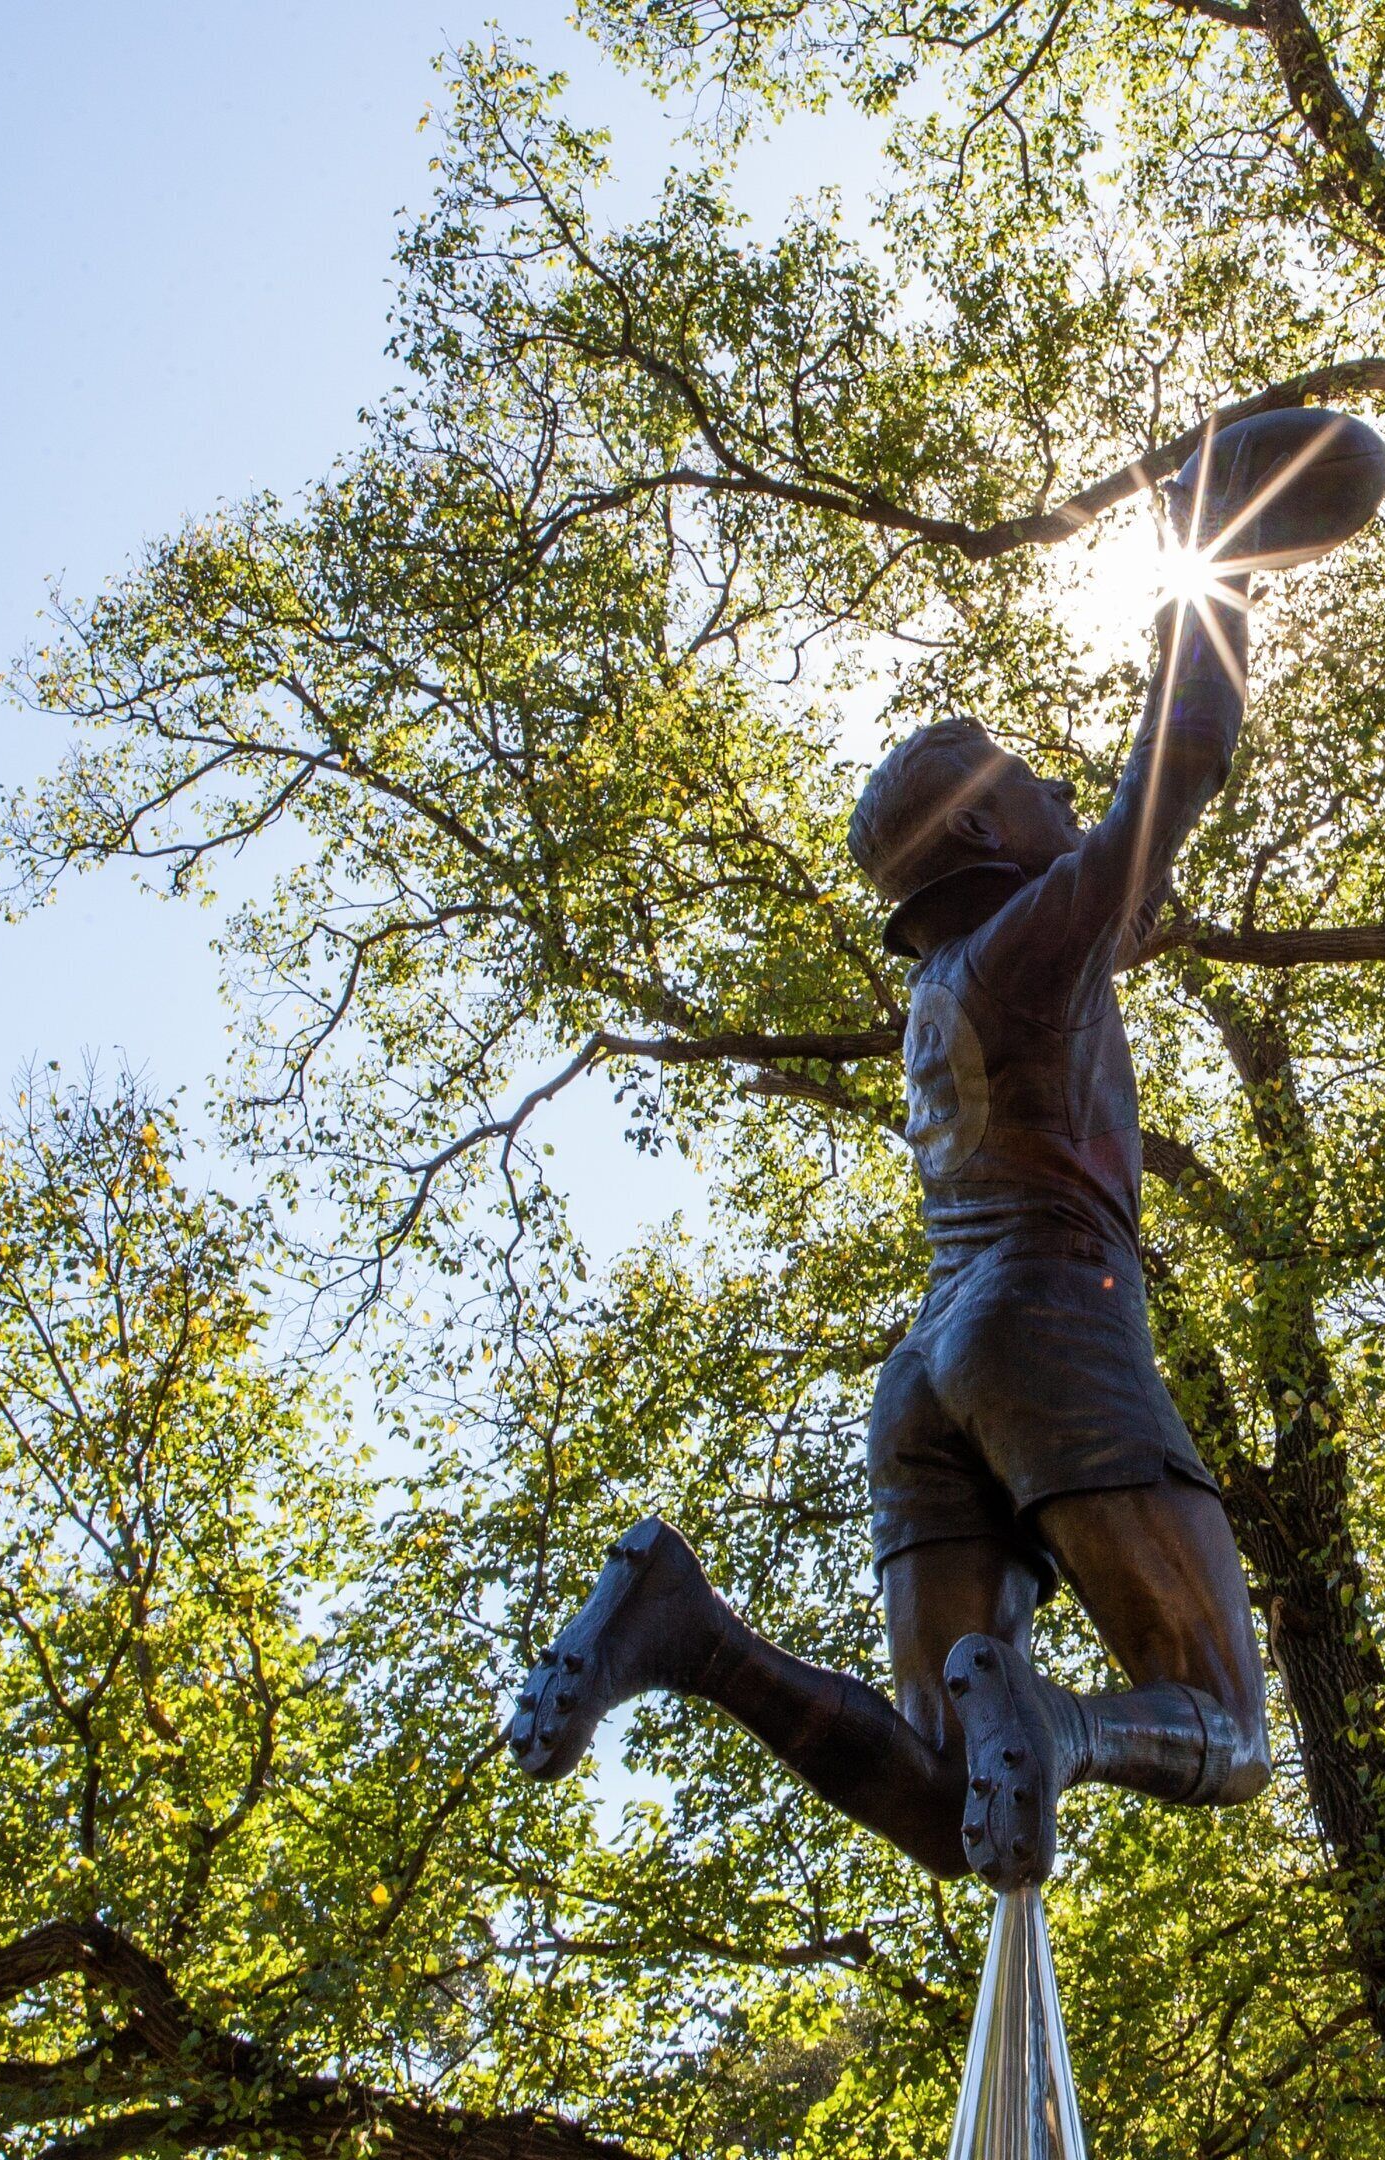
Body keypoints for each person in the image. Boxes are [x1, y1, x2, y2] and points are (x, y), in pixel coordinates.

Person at [507, 559, 1270, 1890]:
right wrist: (1219, 573)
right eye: (1032, 785)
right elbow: (1175, 774)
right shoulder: (1029, 948)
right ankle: (1068, 1727)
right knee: (1232, 1731)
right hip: (1047, 1319)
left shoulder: (946, 993)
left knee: (946, 1801)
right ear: (982, 840)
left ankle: (694, 1640)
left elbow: (1123, 890)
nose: (1057, 796)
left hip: (927, 1373)